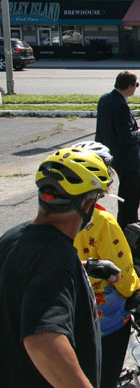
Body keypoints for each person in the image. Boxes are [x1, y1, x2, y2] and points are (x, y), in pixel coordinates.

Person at [0, 146, 111, 386]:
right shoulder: (57, 259)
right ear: (87, 205)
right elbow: (42, 340)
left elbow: (22, 280)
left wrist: (86, 267)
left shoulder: (14, 238)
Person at [71, 141, 140, 388]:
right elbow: (120, 269)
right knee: (108, 362)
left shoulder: (60, 216)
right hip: (103, 305)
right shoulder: (103, 221)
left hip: (72, 300)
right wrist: (137, 292)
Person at [96, 70, 140, 229]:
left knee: (125, 192)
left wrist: (133, 127)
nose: (136, 88)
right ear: (129, 86)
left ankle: (126, 224)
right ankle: (129, 227)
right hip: (126, 157)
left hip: (110, 152)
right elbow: (125, 136)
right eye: (136, 85)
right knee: (130, 195)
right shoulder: (121, 105)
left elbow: (111, 128)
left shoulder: (105, 99)